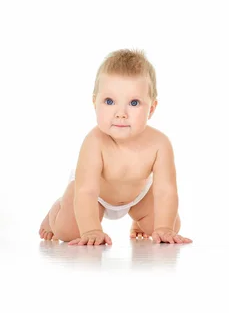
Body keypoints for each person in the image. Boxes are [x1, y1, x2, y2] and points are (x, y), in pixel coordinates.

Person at [39, 49, 192, 245]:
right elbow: (87, 191)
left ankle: (139, 222)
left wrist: (165, 228)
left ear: (151, 109)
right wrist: (92, 230)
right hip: (93, 197)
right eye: (109, 101)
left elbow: (166, 191)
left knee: (167, 226)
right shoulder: (95, 142)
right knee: (68, 231)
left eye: (134, 103)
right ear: (95, 103)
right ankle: (56, 211)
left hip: (138, 196)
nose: (121, 113)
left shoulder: (159, 144)